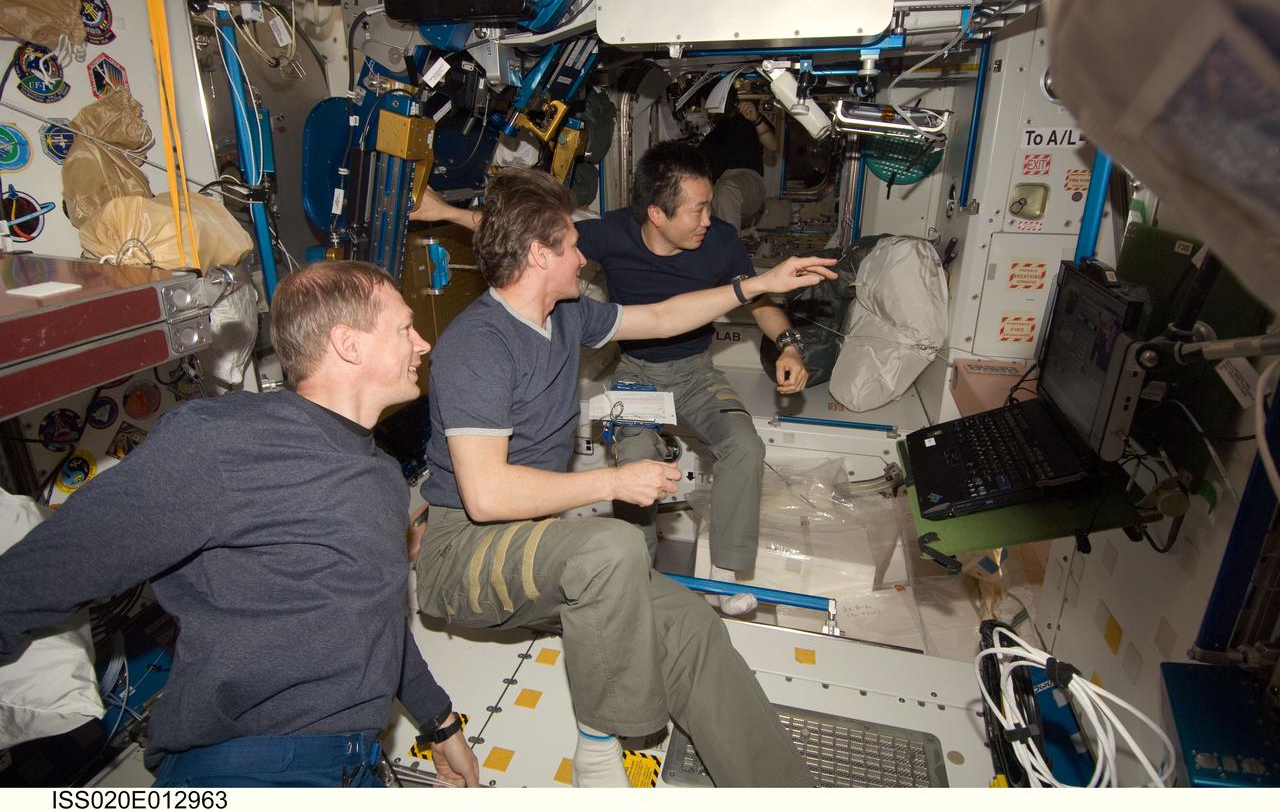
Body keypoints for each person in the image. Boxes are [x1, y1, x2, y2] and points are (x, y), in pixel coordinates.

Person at [413, 166, 835, 787]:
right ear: (537, 254)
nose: (585, 254)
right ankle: (600, 748)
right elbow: (486, 493)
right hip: (463, 555)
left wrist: (759, 286)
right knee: (612, 545)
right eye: (571, 243)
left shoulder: (566, 316)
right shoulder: (479, 346)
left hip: (535, 542)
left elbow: (663, 318)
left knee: (693, 624)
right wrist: (612, 482)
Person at [0, 262, 480, 789]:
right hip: (248, 764)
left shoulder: (381, 473)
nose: (423, 343)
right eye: (405, 328)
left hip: (354, 762)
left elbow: (373, 611)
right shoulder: (221, 442)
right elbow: (47, 571)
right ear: (349, 344)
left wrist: (438, 721)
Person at [412, 141, 811, 616]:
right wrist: (445, 212)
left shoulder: (580, 310)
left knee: (745, 444)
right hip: (637, 374)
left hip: (694, 370)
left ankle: (723, 574)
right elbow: (521, 237)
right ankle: (633, 574)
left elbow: (664, 318)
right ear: (657, 215)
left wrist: (771, 309)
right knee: (635, 458)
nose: (709, 218)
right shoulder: (491, 334)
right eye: (697, 208)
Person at [697, 89, 778, 232]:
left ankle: (730, 251)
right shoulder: (712, 136)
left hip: (747, 181)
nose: (709, 110)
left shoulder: (747, 120)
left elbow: (772, 145)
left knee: (726, 189)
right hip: (718, 187)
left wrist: (756, 119)